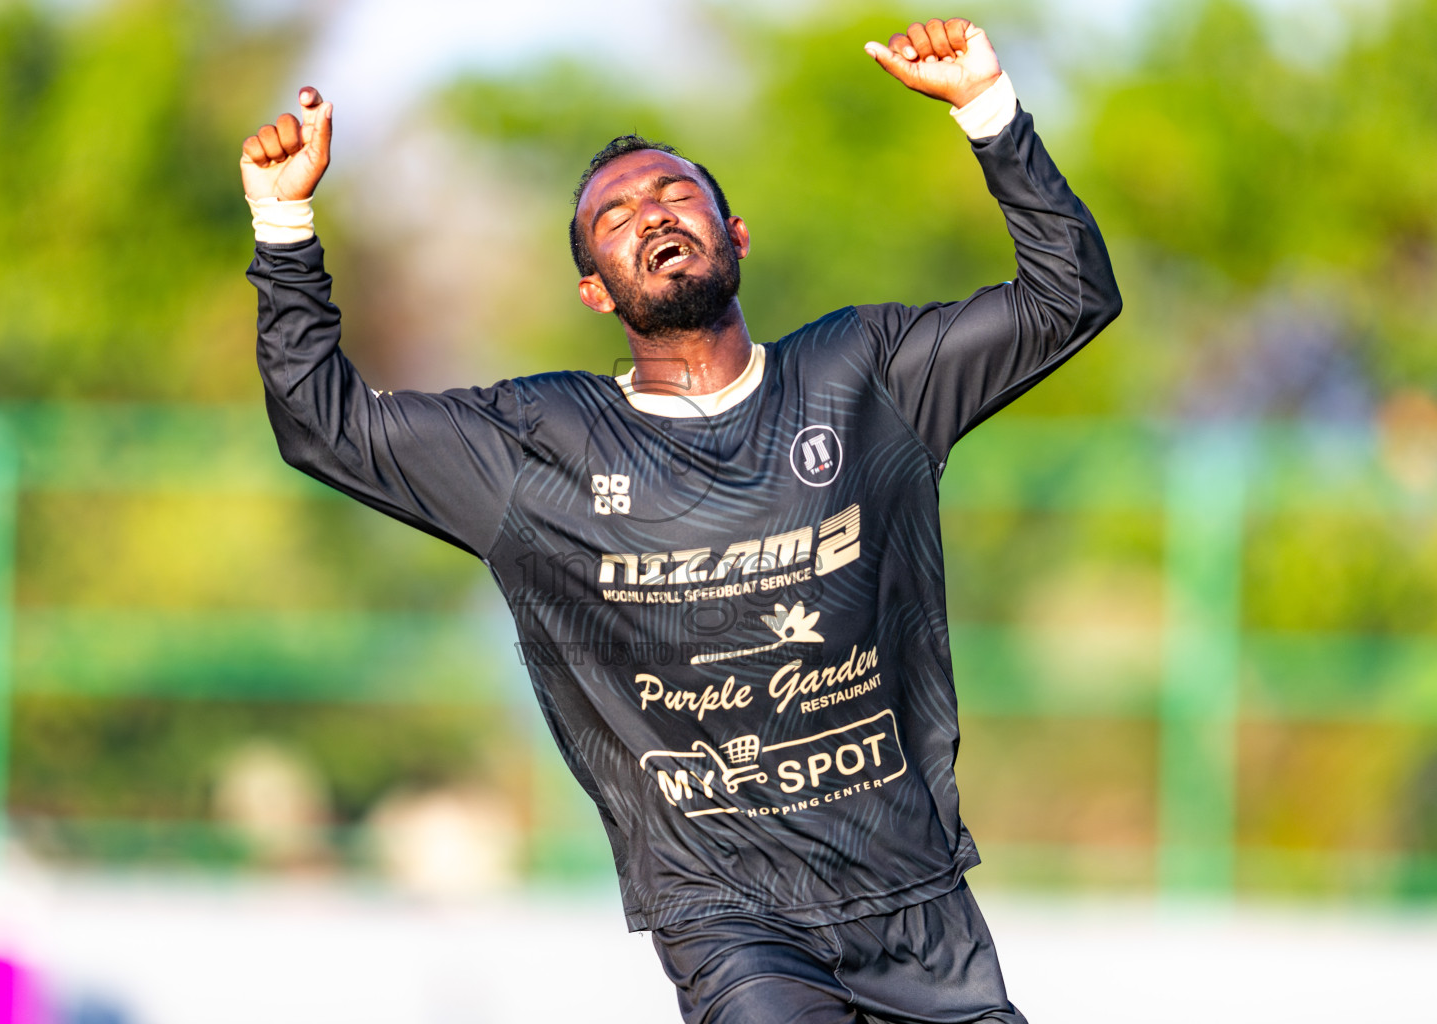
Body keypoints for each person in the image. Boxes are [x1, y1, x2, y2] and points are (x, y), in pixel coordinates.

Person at [241, 16, 1119, 1024]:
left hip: (916, 904)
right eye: (615, 213)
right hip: (733, 923)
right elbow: (323, 426)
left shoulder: (866, 375)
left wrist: (987, 109)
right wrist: (284, 225)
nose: (650, 211)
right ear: (592, 288)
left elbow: (1071, 297)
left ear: (732, 235)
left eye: (676, 191)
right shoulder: (538, 448)